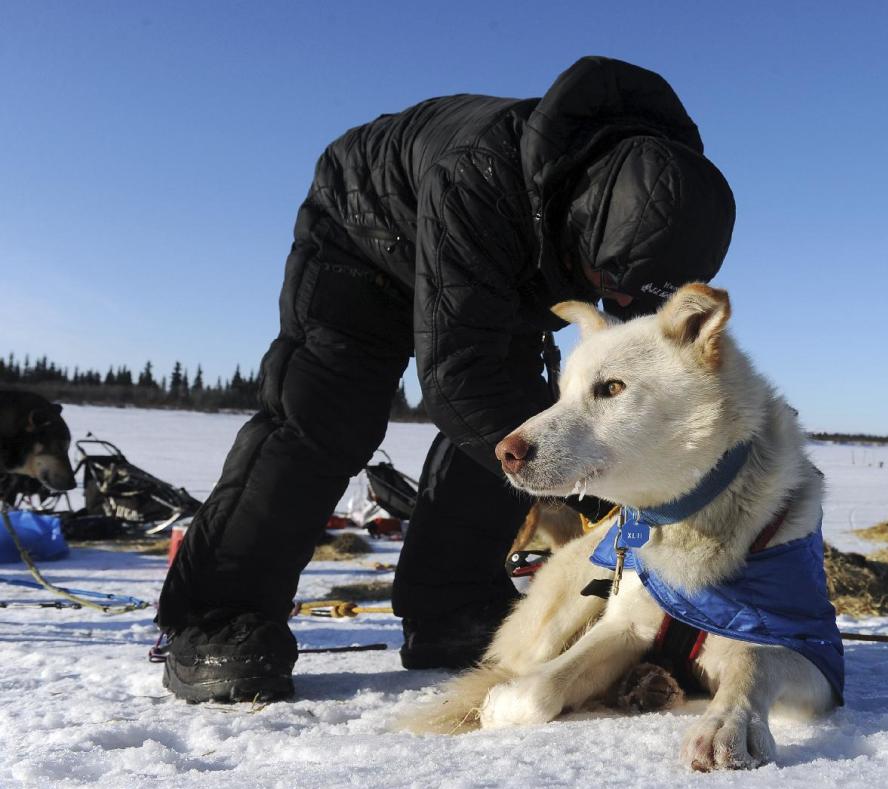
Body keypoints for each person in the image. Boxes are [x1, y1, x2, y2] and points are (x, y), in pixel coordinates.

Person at [157, 55, 736, 703]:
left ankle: (451, 603)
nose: (614, 309)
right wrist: (603, 494)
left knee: (522, 413)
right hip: (363, 231)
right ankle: (217, 616)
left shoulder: (652, 204)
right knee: (325, 412)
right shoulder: (480, 172)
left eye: (630, 301)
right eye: (606, 288)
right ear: (580, 224)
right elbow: (457, 378)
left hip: (501, 266)